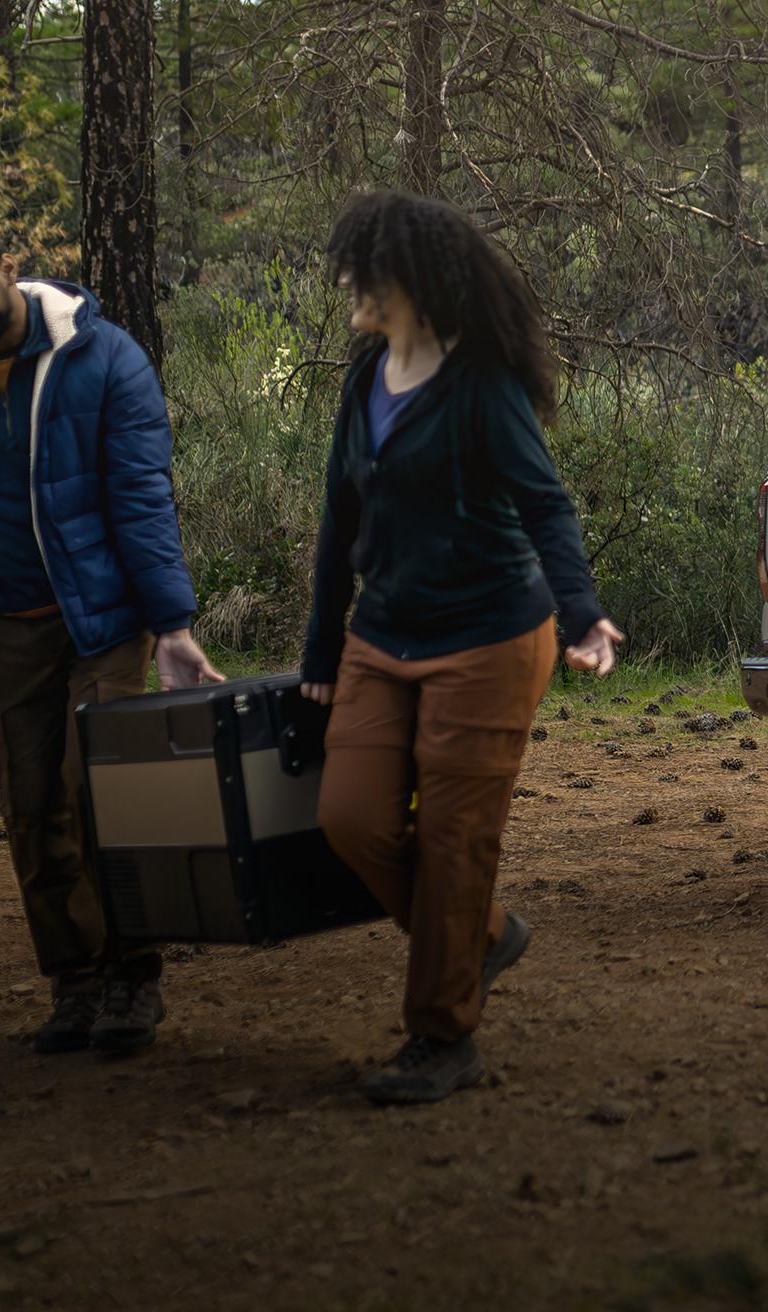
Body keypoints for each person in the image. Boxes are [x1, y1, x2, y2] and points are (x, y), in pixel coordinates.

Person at [303, 190, 623, 1105]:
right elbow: (338, 517)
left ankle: (442, 1036)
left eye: (361, 271)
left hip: (488, 636)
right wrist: (323, 651)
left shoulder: (481, 380)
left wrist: (583, 612)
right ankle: (479, 934)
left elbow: (544, 502)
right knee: (351, 818)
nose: (346, 284)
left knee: (452, 839)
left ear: (408, 279)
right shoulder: (365, 371)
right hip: (382, 632)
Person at [0, 215, 223, 1056]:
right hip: (10, 623)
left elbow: (143, 501)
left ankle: (134, 977)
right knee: (29, 804)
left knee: (102, 790)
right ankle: (74, 980)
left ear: (8, 267)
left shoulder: (105, 360)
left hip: (104, 619)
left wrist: (171, 624)